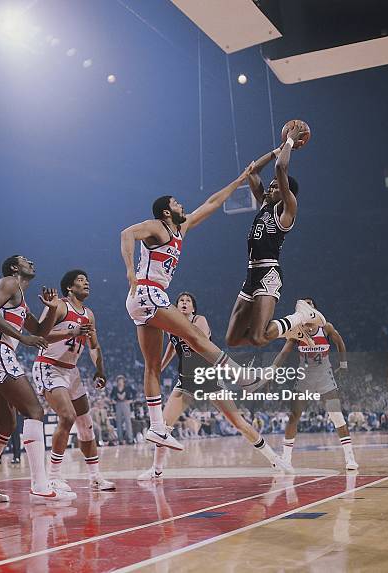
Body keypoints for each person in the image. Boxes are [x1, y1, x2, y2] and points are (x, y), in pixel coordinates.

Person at [121, 164, 262, 451]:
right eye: (175, 203)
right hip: (148, 290)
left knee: (152, 367)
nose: (181, 204)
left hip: (142, 300)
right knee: (195, 336)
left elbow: (212, 203)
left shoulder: (180, 229)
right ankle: (241, 375)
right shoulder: (157, 227)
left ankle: (157, 428)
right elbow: (126, 233)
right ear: (165, 212)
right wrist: (129, 271)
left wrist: (238, 180)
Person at [138, 292, 292, 481]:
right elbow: (172, 346)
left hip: (208, 378)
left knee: (239, 424)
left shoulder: (199, 320)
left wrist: (173, 327)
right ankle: (156, 470)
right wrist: (158, 369)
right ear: (176, 307)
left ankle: (274, 458)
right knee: (163, 428)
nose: (184, 303)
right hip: (186, 380)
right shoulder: (173, 329)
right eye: (181, 302)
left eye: (188, 301)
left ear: (193, 308)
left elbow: (196, 341)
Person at [0, 255, 75, 503]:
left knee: (6, 425)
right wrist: (23, 338)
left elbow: (39, 332)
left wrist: (50, 309)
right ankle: (40, 484)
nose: (32, 262)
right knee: (35, 411)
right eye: (25, 260)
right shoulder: (9, 282)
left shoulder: (21, 299)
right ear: (15, 267)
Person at [225, 123, 325, 349]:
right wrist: (276, 150)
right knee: (232, 339)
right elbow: (251, 171)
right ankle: (290, 331)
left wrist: (290, 142)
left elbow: (281, 169)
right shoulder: (265, 205)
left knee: (258, 338)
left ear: (286, 191)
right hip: (251, 272)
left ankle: (299, 316)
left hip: (269, 272)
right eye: (268, 187)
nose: (268, 189)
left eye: (274, 187)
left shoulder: (287, 208)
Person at [32, 270, 115, 491]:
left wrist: (100, 370)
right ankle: (53, 476)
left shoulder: (89, 314)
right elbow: (40, 335)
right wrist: (72, 332)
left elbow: (94, 346)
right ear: (69, 287)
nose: (86, 283)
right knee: (67, 416)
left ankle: (95, 477)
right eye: (80, 280)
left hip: (72, 370)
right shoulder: (59, 305)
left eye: (87, 280)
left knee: (86, 426)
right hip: (49, 365)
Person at [272, 298, 358, 471]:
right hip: (305, 377)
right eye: (303, 303)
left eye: (309, 303)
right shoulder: (296, 330)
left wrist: (343, 365)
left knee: (336, 416)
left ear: (315, 310)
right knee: (294, 416)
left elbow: (339, 342)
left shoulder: (326, 328)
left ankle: (350, 458)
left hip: (325, 376)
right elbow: (283, 353)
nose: (306, 305)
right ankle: (286, 459)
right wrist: (272, 370)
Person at [111, 375, 135, 445]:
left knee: (128, 422)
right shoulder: (115, 388)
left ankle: (130, 439)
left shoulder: (128, 388)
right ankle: (120, 439)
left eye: (121, 380)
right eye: (119, 380)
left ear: (123, 381)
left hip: (126, 404)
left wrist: (131, 400)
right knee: (119, 422)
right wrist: (113, 401)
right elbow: (111, 396)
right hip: (118, 404)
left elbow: (134, 393)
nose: (120, 382)